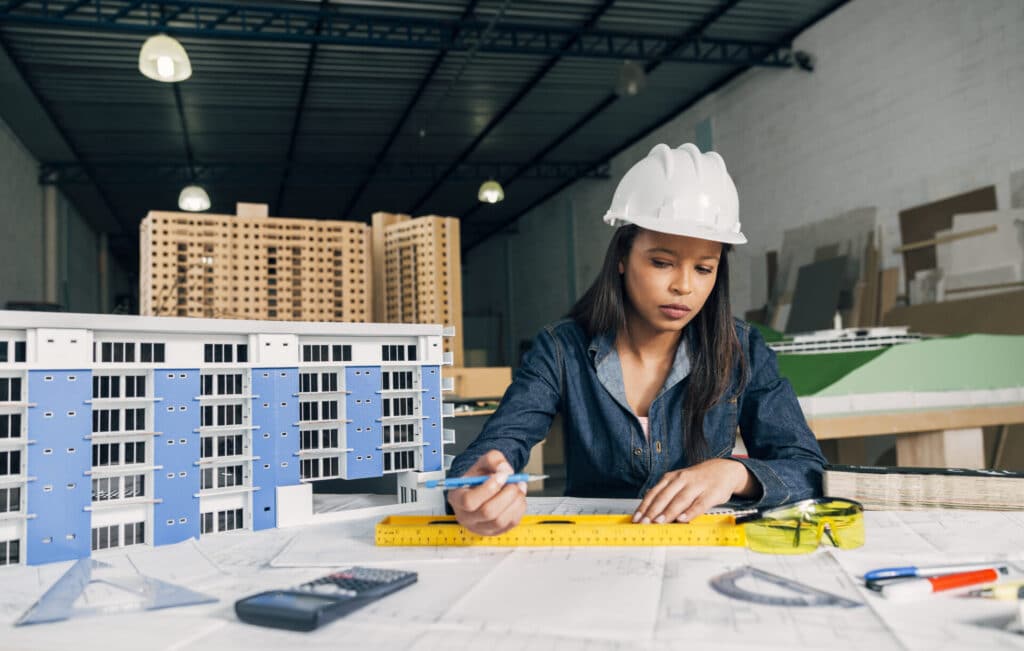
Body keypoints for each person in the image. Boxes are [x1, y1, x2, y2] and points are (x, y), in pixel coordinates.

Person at [447, 143, 826, 536]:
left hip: (701, 554)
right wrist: (477, 487)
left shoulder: (742, 350)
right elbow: (499, 444)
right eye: (662, 262)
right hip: (594, 552)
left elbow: (808, 469)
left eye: (703, 268)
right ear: (622, 258)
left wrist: (731, 475)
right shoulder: (561, 349)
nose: (683, 286)